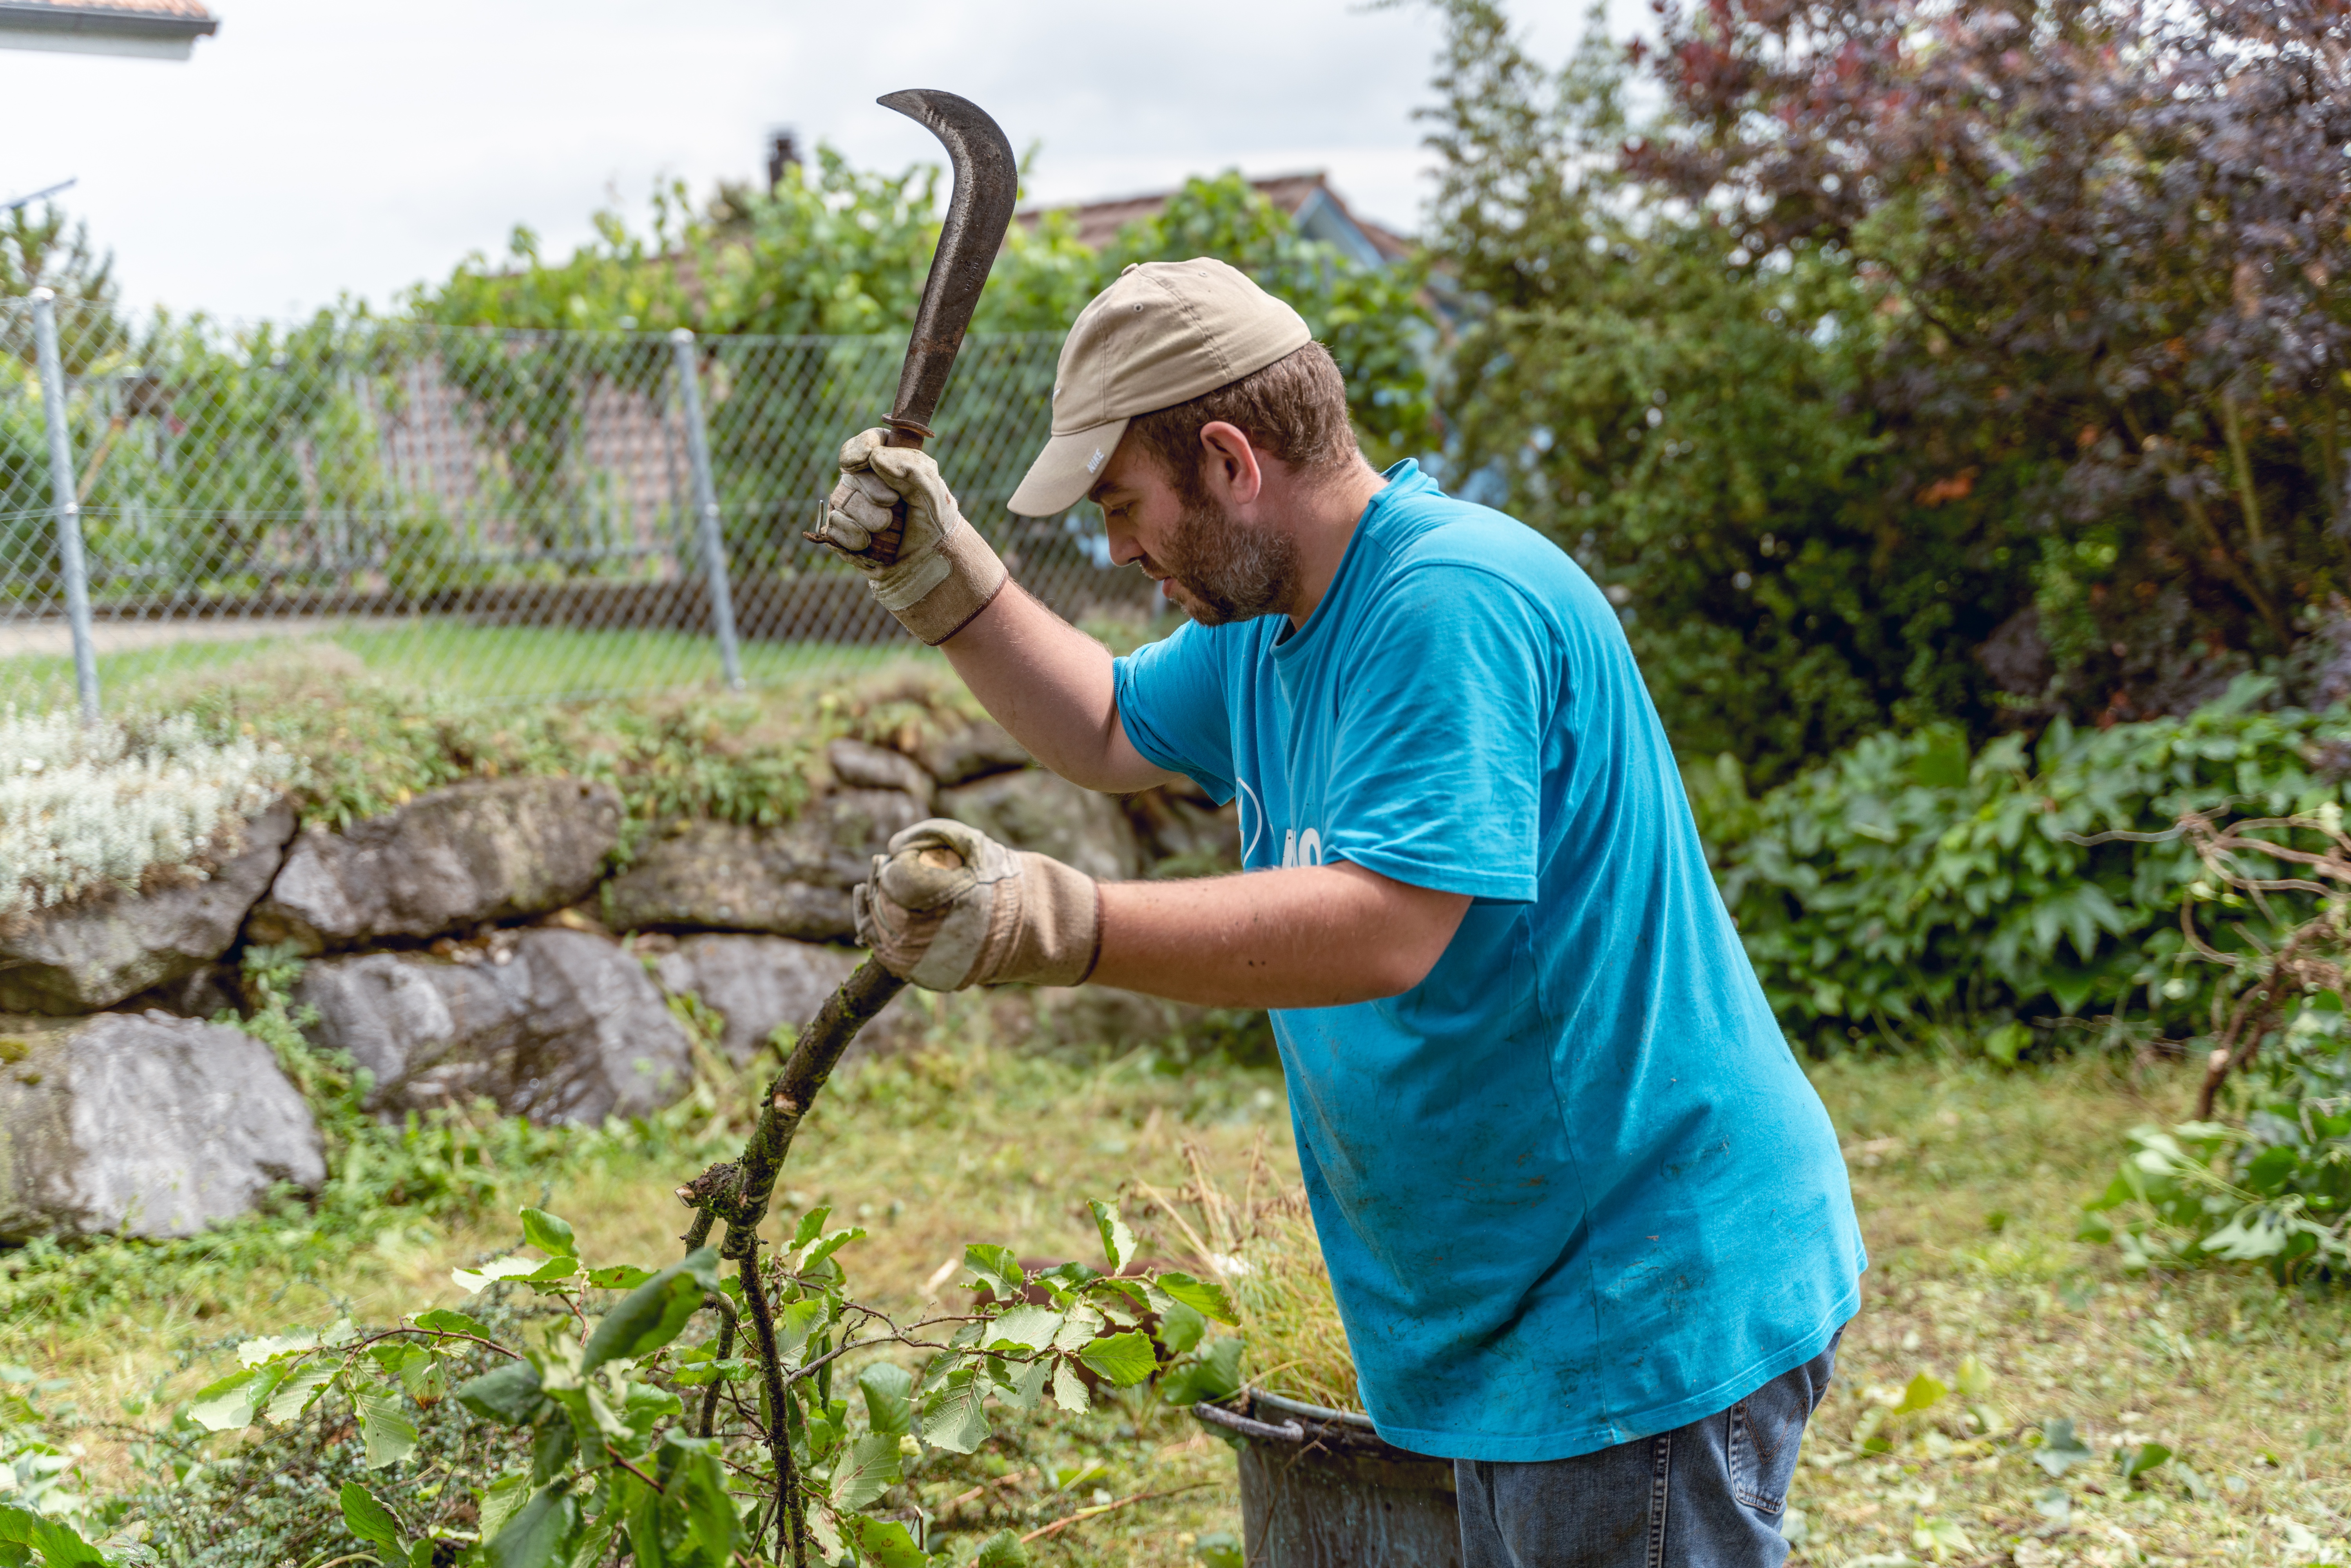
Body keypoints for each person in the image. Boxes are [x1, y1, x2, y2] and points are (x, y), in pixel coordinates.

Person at [809, 257, 1865, 1566]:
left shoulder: (1448, 603)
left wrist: (1063, 923)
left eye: (1125, 505)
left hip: (1635, 1279)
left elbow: (1385, 923)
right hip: (1534, 1284)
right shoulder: (1271, 621)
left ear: (1230, 460)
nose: (1120, 550)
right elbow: (1105, 721)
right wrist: (939, 576)